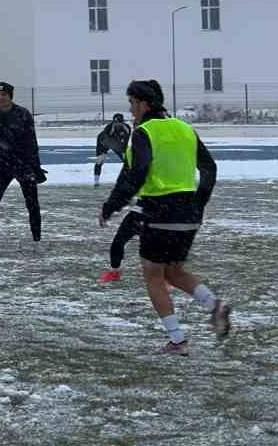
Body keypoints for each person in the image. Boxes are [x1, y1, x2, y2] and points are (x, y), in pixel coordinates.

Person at [98, 79, 231, 354]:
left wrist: (112, 205)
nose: (131, 110)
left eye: (133, 103)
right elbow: (210, 168)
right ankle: (215, 305)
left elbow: (137, 172)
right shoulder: (185, 129)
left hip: (159, 211)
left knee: (153, 276)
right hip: (189, 213)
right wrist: (199, 203)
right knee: (174, 270)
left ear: (145, 104)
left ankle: (177, 340)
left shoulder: (144, 132)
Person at [0, 82, 45, 244]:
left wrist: (35, 168)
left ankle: (36, 239)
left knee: (32, 203)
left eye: (4, 95)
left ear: (10, 96)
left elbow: (32, 142)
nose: (1, 98)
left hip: (24, 165)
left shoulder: (23, 114)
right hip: (2, 166)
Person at [98, 207, 144, 284]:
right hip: (137, 215)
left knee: (157, 247)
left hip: (157, 217)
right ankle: (114, 272)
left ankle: (164, 274)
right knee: (118, 242)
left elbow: (122, 196)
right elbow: (123, 196)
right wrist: (107, 212)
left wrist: (107, 212)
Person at [93, 112, 131, 185]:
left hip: (117, 143)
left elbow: (125, 142)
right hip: (103, 142)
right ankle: (96, 181)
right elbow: (105, 139)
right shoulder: (109, 127)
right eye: (115, 122)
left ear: (122, 122)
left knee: (127, 160)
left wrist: (123, 152)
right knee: (99, 161)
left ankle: (129, 179)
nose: (117, 124)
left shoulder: (127, 128)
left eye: (118, 122)